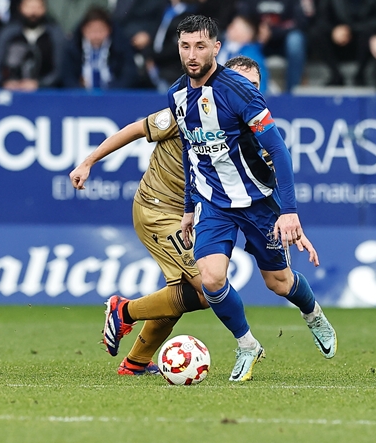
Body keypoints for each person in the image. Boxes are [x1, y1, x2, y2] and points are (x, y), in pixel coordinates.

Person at [167, 14, 336, 382]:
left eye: (200, 45)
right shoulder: (177, 94)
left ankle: (313, 315)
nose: (192, 54)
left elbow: (279, 150)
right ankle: (247, 344)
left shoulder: (239, 91)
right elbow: (190, 151)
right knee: (211, 278)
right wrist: (188, 207)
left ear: (216, 47)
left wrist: (288, 212)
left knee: (278, 282)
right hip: (213, 203)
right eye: (185, 46)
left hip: (258, 203)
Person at [72, 55, 262, 376]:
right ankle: (124, 311)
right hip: (158, 208)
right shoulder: (189, 109)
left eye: (254, 85)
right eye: (241, 83)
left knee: (182, 294)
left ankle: (135, 363)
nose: (248, 90)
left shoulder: (249, 127)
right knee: (205, 286)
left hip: (191, 215)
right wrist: (88, 161)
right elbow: (135, 130)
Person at [238, 0, 313, 91]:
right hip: (258, 39)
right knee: (239, 35)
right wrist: (256, 30)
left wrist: (273, 31)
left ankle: (292, 92)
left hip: (285, 41)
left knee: (296, 41)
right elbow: (243, 14)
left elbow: (303, 20)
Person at [0, 0, 65, 90]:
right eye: (29, 6)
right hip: (11, 92)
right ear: (21, 7)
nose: (33, 12)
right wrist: (4, 83)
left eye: (38, 7)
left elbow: (59, 70)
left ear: (45, 9)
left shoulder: (54, 34)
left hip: (44, 94)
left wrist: (39, 84)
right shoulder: (8, 33)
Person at [61, 7, 138, 89]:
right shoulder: (73, 47)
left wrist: (113, 92)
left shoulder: (121, 46)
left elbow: (128, 74)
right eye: (92, 31)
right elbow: (67, 76)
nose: (96, 36)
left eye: (100, 31)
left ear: (109, 29)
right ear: (83, 30)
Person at [217, 14, 269, 93]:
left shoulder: (252, 55)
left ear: (247, 34)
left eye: (234, 28)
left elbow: (259, 82)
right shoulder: (221, 47)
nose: (229, 28)